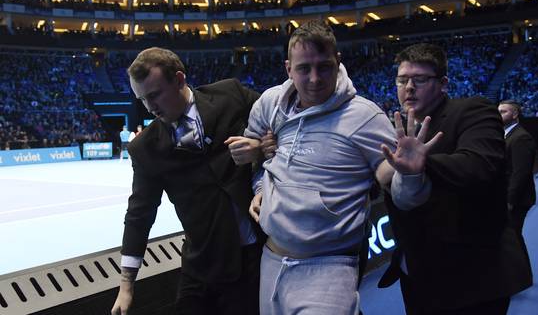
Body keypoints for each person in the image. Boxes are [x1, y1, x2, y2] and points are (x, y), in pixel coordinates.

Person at [239, 20, 397, 314]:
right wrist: (260, 187)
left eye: (324, 66)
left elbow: (397, 186)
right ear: (288, 69)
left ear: (338, 63)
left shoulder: (365, 116)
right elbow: (258, 162)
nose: (314, 78)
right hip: (271, 260)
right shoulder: (269, 104)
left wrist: (407, 176)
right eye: (303, 68)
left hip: (328, 268)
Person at [378, 43, 532, 315]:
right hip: (416, 272)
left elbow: (479, 164)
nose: (409, 87)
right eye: (402, 80)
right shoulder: (396, 128)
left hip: (473, 276)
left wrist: (420, 165)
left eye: (420, 79)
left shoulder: (475, 110)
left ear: (443, 83)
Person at [110, 47, 263, 315]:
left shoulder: (231, 95)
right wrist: (126, 284)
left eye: (155, 95)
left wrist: (261, 146)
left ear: (179, 80)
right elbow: (139, 213)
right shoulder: (145, 148)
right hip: (201, 265)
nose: (150, 107)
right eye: (142, 99)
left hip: (255, 257)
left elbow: (282, 124)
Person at [498, 99, 536, 276]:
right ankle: (519, 275)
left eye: (503, 112)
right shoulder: (505, 134)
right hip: (508, 195)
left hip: (517, 198)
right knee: (511, 237)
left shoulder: (521, 137)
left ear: (515, 114)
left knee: (512, 237)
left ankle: (521, 276)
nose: (499, 115)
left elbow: (520, 173)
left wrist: (510, 201)